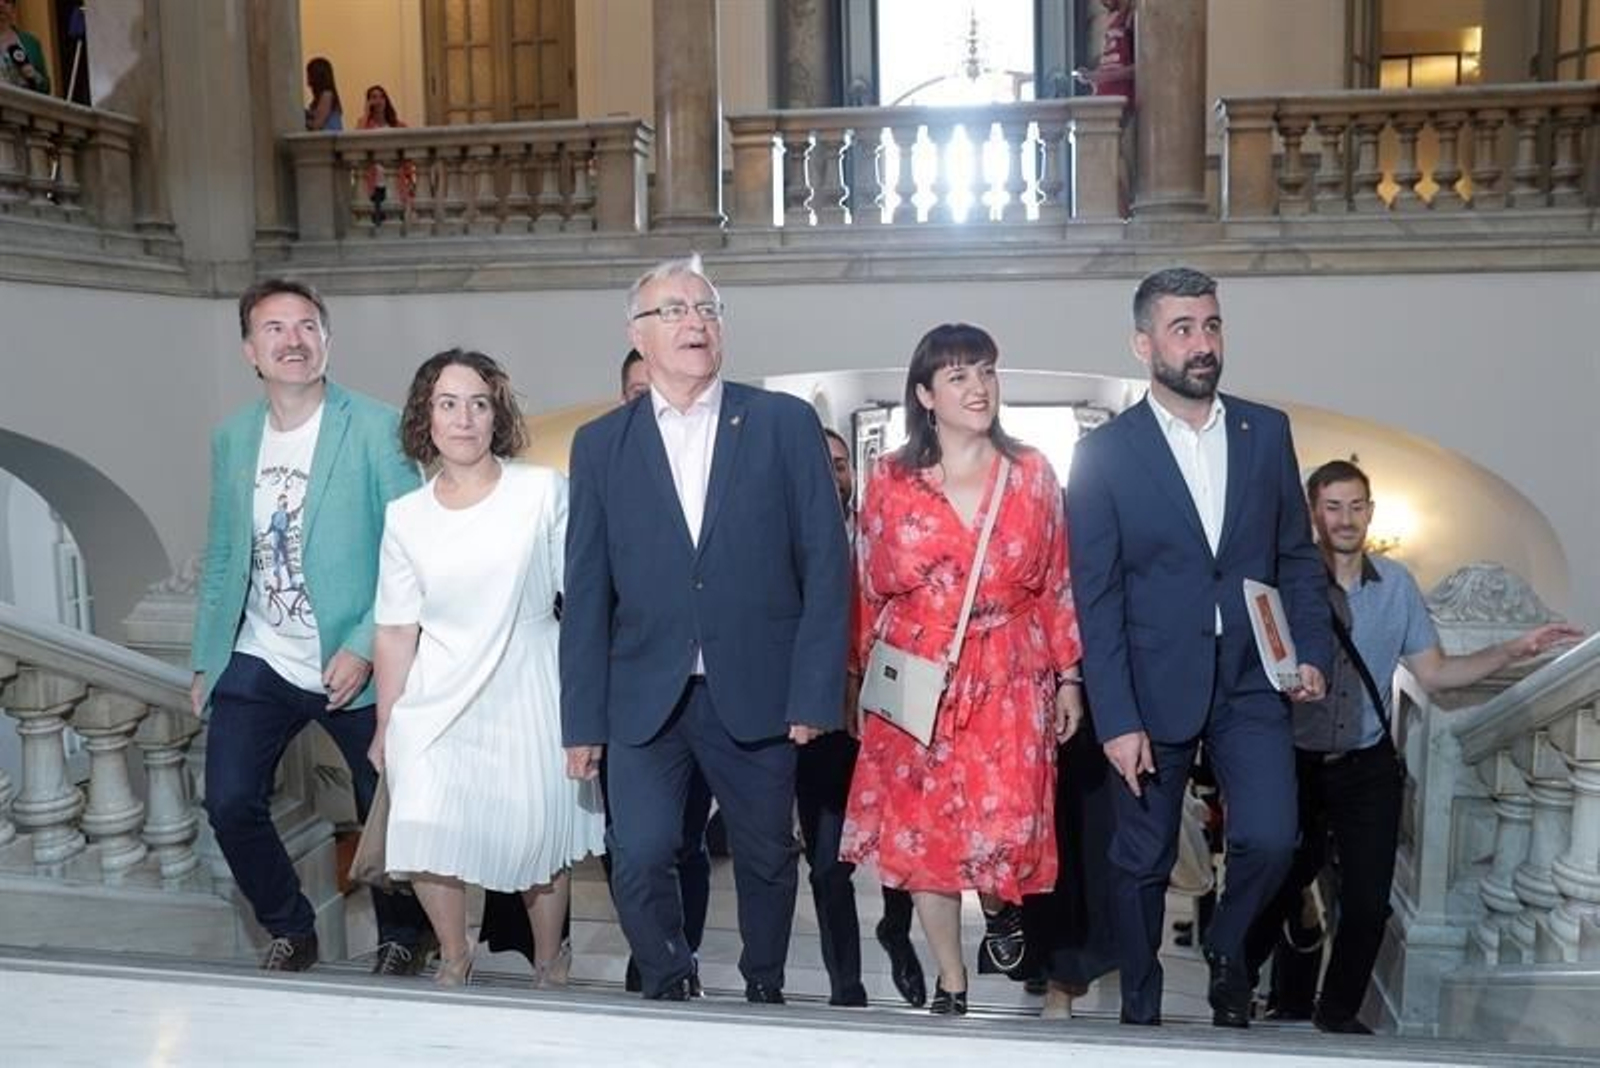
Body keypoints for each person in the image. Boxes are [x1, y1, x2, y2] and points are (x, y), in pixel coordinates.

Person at [561, 255, 851, 1004]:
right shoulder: (600, 445)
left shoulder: (782, 423)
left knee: (764, 855)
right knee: (642, 851)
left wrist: (816, 693)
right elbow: (588, 591)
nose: (695, 322)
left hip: (758, 690)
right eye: (675, 311)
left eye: (707, 309)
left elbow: (826, 564)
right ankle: (667, 977)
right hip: (643, 695)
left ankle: (764, 987)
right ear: (638, 333)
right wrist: (580, 722)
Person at [1066, 266, 1332, 1028]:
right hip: (1150, 687)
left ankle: (1227, 948)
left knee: (1273, 838)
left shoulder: (1265, 430)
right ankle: (1141, 1007)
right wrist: (1115, 718)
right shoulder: (1107, 453)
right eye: (1183, 329)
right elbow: (1099, 595)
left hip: (1253, 679)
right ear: (1144, 342)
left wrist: (1308, 648)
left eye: (1212, 325)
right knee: (1140, 861)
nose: (1203, 343)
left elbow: (1294, 558)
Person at [1247, 459, 1582, 1033]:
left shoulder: (1397, 584)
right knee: (1276, 879)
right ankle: (1234, 978)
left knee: (1371, 900)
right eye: (1333, 507)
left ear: (1371, 512)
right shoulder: (1287, 583)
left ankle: (1337, 1012)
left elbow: (1435, 674)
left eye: (1356, 506)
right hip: (1294, 763)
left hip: (1367, 764)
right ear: (1313, 514)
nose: (1345, 519)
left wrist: (1513, 649)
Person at [842, 323, 1085, 1016]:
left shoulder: (1032, 471)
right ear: (925, 395)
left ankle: (1002, 905)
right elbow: (867, 583)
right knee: (924, 835)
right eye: (957, 376)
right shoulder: (890, 479)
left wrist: (1069, 675)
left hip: (1010, 666)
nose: (977, 387)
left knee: (1006, 821)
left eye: (984, 371)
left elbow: (1057, 581)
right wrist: (862, 680)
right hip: (919, 672)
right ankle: (952, 978)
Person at [190, 278, 431, 975]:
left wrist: (363, 645)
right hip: (260, 654)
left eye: (306, 326)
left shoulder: (377, 427)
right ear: (249, 351)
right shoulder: (233, 437)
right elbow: (227, 552)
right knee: (230, 801)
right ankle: (290, 925)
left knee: (383, 802)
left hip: (353, 656)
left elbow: (410, 547)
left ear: (327, 339)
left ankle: (402, 932)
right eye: (274, 329)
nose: (292, 341)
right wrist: (208, 659)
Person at [370, 349, 605, 988]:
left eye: (478, 403)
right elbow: (395, 627)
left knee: (534, 840)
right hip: (436, 692)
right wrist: (386, 722)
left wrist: (589, 706)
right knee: (421, 826)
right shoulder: (405, 516)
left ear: (496, 414)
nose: (464, 418)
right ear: (427, 416)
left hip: (529, 682)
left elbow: (581, 598)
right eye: (448, 404)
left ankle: (550, 958)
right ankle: (453, 955)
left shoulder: (541, 490)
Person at [792, 427, 924, 1008]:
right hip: (821, 723)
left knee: (901, 850)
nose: (833, 475)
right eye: (821, 465)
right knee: (827, 866)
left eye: (842, 465)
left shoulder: (883, 536)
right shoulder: (782, 542)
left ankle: (896, 928)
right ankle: (846, 985)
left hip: (888, 714)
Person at [355, 84, 416, 222]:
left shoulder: (398, 126)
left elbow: (407, 158)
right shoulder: (364, 124)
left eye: (382, 96)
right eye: (374, 97)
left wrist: (410, 180)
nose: (378, 100)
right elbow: (356, 140)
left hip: (395, 182)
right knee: (377, 221)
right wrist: (366, 113)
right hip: (373, 183)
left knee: (396, 221)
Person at [0, 0, 50, 95]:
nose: (1, 4)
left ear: (13, 8)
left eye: (7, 1)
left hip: (25, 106)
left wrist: (33, 75)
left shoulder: (30, 41)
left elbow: (45, 87)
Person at [304, 56, 343, 132]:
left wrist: (297, 121)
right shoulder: (323, 96)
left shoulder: (327, 95)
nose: (307, 77)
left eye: (309, 74)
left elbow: (317, 124)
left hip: (327, 140)